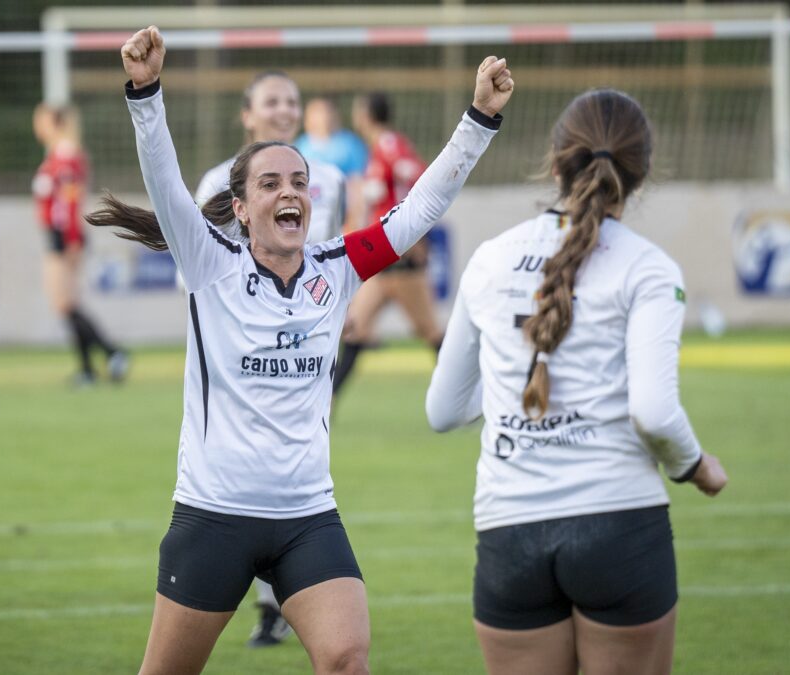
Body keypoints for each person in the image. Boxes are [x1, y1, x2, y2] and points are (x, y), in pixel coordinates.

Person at [89, 25, 511, 675]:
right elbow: (165, 181)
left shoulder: (338, 267)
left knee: (346, 659)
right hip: (213, 515)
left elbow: (423, 205)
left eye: (299, 182)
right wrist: (146, 93)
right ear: (240, 208)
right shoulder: (210, 261)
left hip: (308, 518)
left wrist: (479, 118)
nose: (289, 192)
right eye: (270, 183)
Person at [425, 88, 728, 675]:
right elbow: (654, 412)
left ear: (555, 162)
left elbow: (443, 410)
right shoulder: (648, 267)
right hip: (619, 523)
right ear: (641, 172)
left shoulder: (489, 259)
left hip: (509, 532)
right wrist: (695, 466)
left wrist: (512, 388)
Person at [194, 71, 349, 649]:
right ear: (247, 114)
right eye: (272, 101)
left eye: (292, 102)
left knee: (297, 462)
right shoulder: (216, 182)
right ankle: (261, 597)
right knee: (246, 465)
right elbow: (198, 269)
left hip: (308, 340)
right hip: (244, 345)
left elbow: (337, 255)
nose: (284, 111)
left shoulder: (329, 179)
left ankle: (279, 599)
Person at [332, 92, 443, 397]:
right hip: (383, 260)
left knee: (430, 332)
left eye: (358, 109)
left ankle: (467, 395)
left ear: (366, 114)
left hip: (401, 261)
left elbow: (420, 177)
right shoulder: (377, 149)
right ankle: (323, 403)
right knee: (355, 329)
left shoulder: (390, 144)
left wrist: (414, 230)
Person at [32, 103, 129, 386]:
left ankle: (110, 354)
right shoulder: (56, 156)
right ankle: (93, 366)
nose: (37, 126)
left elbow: (70, 203)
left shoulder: (67, 157)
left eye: (42, 120)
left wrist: (72, 240)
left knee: (66, 303)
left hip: (64, 236)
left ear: (56, 123)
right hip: (57, 235)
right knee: (67, 304)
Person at [295, 97, 369, 233]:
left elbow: (357, 184)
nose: (322, 117)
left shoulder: (350, 144)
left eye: (325, 112)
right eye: (316, 113)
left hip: (342, 219)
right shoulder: (300, 146)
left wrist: (354, 222)